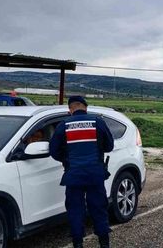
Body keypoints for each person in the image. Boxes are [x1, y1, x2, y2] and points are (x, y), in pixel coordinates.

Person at [50, 96, 114, 248]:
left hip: (73, 176)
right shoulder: (97, 122)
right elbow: (109, 146)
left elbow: (54, 152)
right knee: (99, 209)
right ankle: (104, 244)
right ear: (86, 107)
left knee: (75, 211)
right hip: (95, 175)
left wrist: (66, 160)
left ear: (70, 110)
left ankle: (78, 244)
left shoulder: (63, 125)